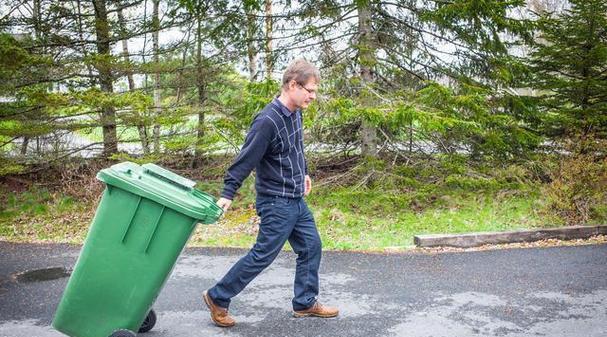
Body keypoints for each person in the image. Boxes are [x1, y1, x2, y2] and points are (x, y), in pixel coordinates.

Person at [202, 59, 339, 327]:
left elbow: (296, 148)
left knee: (311, 246)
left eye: (315, 91)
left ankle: (304, 303)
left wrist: (305, 173)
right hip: (276, 202)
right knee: (263, 255)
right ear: (292, 85)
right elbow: (245, 159)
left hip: (295, 199)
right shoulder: (267, 121)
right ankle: (218, 296)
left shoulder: (296, 113)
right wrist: (228, 193)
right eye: (310, 90)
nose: (314, 96)